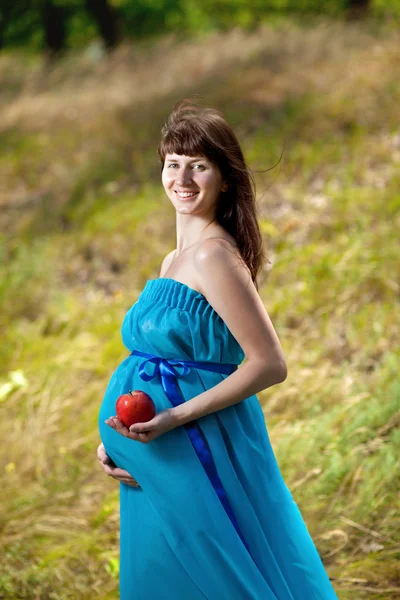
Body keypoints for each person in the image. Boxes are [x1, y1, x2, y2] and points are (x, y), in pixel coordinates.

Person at [97, 99, 338, 600]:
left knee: (216, 573)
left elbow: (269, 364)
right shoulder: (174, 258)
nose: (182, 177)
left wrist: (173, 419)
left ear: (224, 178)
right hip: (164, 443)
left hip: (201, 442)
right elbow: (155, 367)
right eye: (173, 163)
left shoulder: (212, 255)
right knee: (170, 567)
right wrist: (119, 441)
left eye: (199, 165)